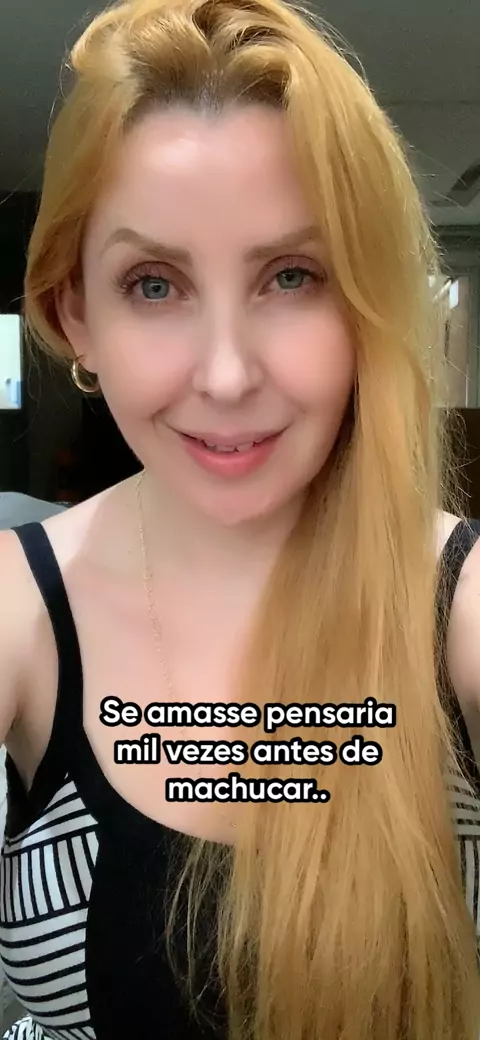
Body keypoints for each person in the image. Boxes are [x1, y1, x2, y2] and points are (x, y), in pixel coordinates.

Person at [0, 0, 479, 1037]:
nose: (225, 375)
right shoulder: (16, 603)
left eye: (291, 276)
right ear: (78, 315)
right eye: (154, 284)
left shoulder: (462, 604)